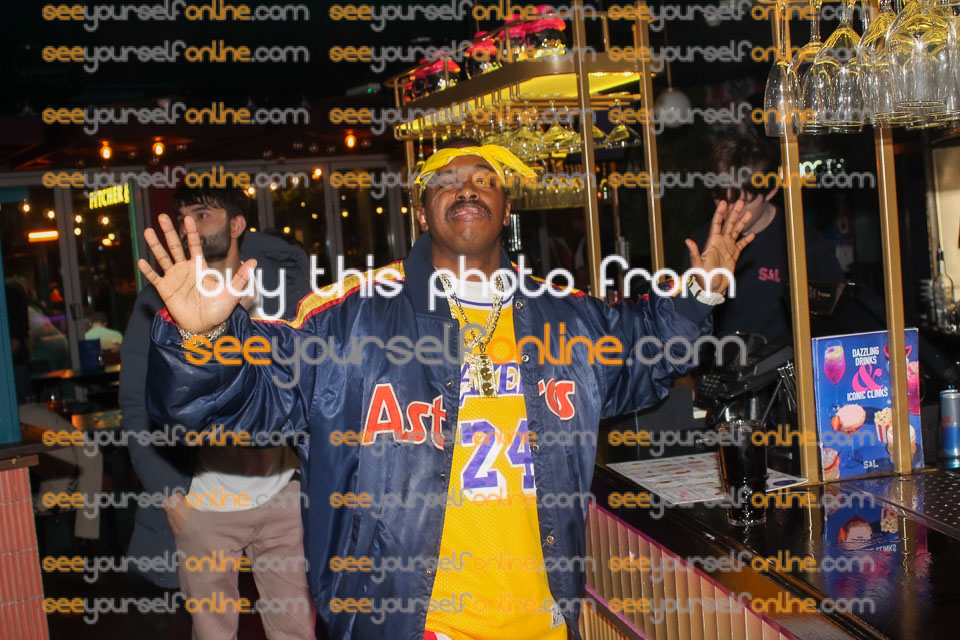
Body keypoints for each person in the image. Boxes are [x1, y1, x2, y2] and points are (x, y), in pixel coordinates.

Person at [139, 145, 753, 640]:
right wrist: (203, 340)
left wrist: (700, 294)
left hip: (541, 622)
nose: (465, 188)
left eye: (483, 179)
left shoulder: (568, 319)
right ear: (421, 212)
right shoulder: (352, 319)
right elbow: (238, 402)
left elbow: (646, 351)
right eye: (446, 181)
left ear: (506, 210)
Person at [120, 185, 315, 640]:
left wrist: (308, 476)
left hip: (283, 493)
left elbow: (313, 383)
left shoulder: (285, 294)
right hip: (204, 501)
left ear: (237, 224)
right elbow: (134, 403)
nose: (190, 224)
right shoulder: (162, 299)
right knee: (212, 633)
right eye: (183, 216)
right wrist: (171, 495)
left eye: (203, 213)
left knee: (297, 630)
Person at [686, 133, 844, 342]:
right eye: (722, 199)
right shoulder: (701, 243)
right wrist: (701, 291)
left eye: (743, 201)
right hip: (719, 360)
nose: (731, 211)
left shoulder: (804, 243)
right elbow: (683, 328)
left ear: (770, 192)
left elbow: (840, 317)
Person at [5, 281, 102, 542]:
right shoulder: (12, 304)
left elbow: (17, 347)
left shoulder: (12, 302)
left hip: (21, 408)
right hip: (16, 412)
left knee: (82, 456)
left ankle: (71, 527)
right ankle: (55, 515)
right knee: (82, 456)